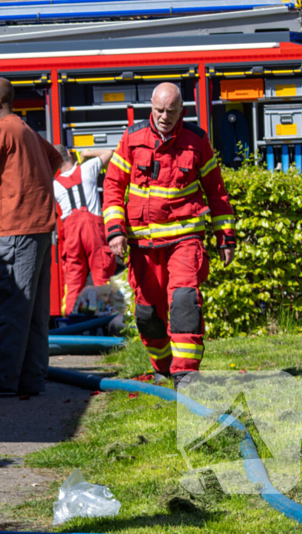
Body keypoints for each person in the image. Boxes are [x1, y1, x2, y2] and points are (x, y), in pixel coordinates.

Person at [102, 82, 236, 385]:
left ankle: (186, 372)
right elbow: (112, 186)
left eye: (171, 111)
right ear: (151, 106)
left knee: (185, 300)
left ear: (182, 111)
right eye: (159, 110)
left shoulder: (197, 141)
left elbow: (217, 192)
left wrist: (225, 236)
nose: (164, 116)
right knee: (148, 315)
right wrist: (114, 232)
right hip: (143, 245)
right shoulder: (132, 139)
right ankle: (162, 367)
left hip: (185, 240)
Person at [0, 78, 63, 398]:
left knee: (11, 306)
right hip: (37, 228)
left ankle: (5, 379)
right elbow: (55, 159)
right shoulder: (23, 128)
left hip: (15, 228)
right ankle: (31, 378)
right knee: (33, 310)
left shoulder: (0, 129)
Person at [52, 145, 116, 315]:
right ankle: (107, 318)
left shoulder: (55, 185)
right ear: (68, 154)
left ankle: (70, 319)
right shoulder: (88, 168)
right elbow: (109, 153)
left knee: (73, 280)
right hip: (93, 228)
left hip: (71, 232)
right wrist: (86, 153)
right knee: (101, 274)